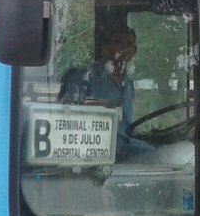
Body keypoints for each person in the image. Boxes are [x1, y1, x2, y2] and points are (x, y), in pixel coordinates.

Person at [58, 26, 148, 158]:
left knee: (172, 153)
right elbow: (68, 122)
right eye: (118, 43)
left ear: (134, 51)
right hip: (96, 152)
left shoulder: (129, 84)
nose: (124, 49)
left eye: (129, 44)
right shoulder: (85, 79)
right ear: (105, 48)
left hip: (125, 150)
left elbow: (125, 128)